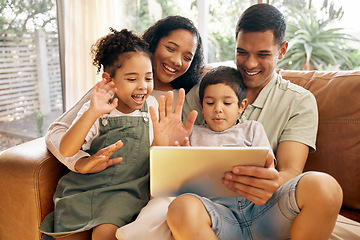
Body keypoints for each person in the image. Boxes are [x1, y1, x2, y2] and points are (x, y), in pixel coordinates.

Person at [169, 4, 342, 240]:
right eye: (242, 52)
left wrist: (271, 182)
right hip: (215, 212)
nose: (250, 64)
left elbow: (291, 170)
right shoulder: (206, 91)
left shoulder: (299, 101)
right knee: (181, 208)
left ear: (281, 50)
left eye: (263, 54)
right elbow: (175, 157)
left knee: (325, 187)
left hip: (267, 210)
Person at [39, 28, 196, 240]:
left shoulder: (151, 108)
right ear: (108, 79)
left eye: (148, 79)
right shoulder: (95, 107)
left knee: (105, 233)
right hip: (84, 190)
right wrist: (92, 112)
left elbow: (152, 161)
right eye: (132, 79)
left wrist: (163, 144)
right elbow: (66, 148)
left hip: (126, 192)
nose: (142, 86)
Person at [115, 65, 275, 240]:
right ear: (201, 105)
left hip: (243, 203)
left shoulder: (252, 129)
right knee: (163, 205)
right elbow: (170, 180)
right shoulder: (192, 133)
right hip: (203, 205)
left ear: (241, 106)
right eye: (210, 103)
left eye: (227, 103)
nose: (218, 109)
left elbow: (268, 168)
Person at [45, 15, 203, 174]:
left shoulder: (190, 95)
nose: (177, 61)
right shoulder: (111, 90)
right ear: (153, 44)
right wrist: (80, 162)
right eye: (170, 48)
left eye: (187, 57)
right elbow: (56, 131)